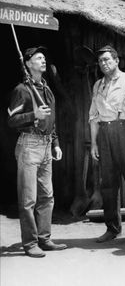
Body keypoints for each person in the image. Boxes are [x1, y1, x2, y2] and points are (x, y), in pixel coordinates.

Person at [8, 46, 67, 257]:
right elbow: (11, 120)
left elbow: (51, 119)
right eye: (38, 58)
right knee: (28, 199)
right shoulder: (22, 90)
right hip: (29, 145)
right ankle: (30, 243)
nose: (43, 60)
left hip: (45, 146)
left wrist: (56, 143)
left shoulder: (47, 89)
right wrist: (33, 115)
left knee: (47, 197)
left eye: (44, 57)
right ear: (28, 64)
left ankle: (45, 238)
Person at [89, 45, 125, 244]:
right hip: (104, 133)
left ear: (116, 61)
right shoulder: (98, 85)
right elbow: (93, 117)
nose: (104, 63)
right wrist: (94, 144)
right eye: (101, 61)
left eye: (107, 59)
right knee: (108, 184)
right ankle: (112, 228)